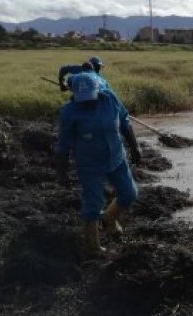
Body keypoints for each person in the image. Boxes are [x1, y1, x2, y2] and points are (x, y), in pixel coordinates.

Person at [55, 73, 142, 254]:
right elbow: (63, 147)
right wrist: (62, 174)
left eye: (91, 97)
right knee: (93, 204)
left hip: (116, 157)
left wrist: (135, 148)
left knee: (129, 193)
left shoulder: (110, 99)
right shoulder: (69, 113)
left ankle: (109, 218)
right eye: (83, 99)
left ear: (98, 89)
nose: (88, 102)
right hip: (89, 164)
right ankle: (94, 247)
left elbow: (125, 122)